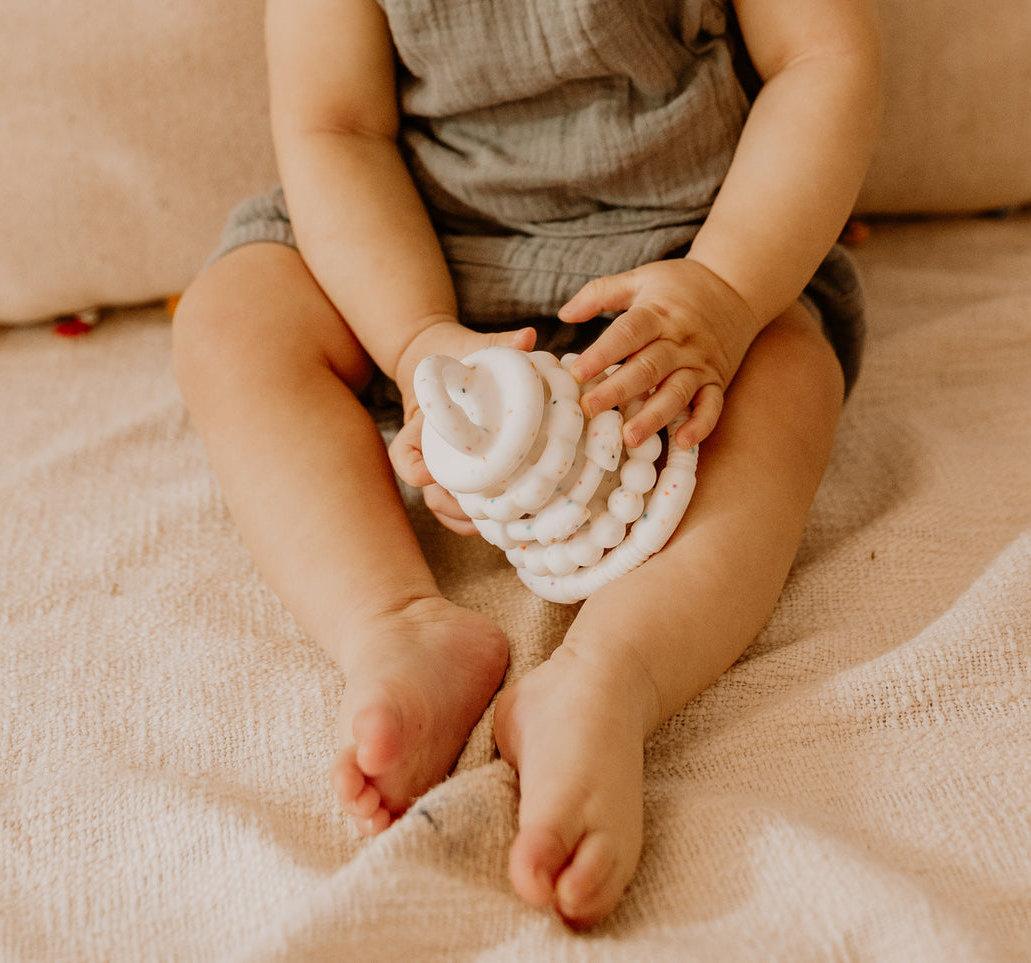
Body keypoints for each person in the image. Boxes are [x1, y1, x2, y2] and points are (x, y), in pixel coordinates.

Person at [172, 0, 880, 929]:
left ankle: (609, 673)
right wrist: (414, 337)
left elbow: (822, 60)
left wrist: (728, 291)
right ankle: (395, 624)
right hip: (411, 261)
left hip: (679, 274)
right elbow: (334, 127)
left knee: (789, 376)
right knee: (234, 318)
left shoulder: (708, 280)